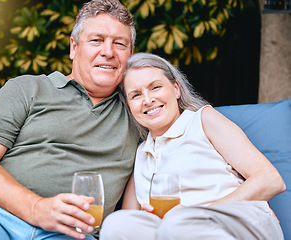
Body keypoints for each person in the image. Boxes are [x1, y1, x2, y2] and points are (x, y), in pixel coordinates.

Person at [0, 1, 139, 239]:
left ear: (130, 55)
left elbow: (190, 124)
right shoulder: (27, 88)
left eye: (119, 43)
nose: (108, 51)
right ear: (74, 47)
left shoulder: (140, 111)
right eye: (96, 40)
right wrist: (36, 208)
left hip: (71, 232)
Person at [99, 52, 286, 240]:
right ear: (129, 106)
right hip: (176, 230)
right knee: (117, 225)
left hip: (239, 221)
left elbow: (271, 179)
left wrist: (197, 213)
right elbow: (131, 218)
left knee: (177, 225)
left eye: (155, 87)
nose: (148, 100)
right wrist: (149, 218)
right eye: (136, 95)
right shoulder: (141, 153)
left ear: (176, 88)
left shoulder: (202, 120)